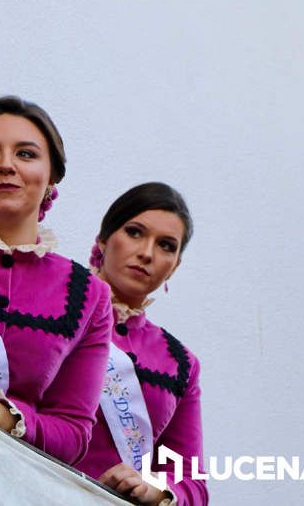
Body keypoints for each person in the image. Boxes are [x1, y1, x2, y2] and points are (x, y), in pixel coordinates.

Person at [0, 96, 113, 466]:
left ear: (51, 177)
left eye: (26, 154)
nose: (6, 165)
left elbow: (73, 433)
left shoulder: (89, 297)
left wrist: (9, 418)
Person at [75, 182, 207, 505]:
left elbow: (192, 483)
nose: (147, 253)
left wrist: (152, 487)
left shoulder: (180, 363)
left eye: (166, 246)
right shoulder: (58, 311)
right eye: (135, 232)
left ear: (174, 267)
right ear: (103, 241)